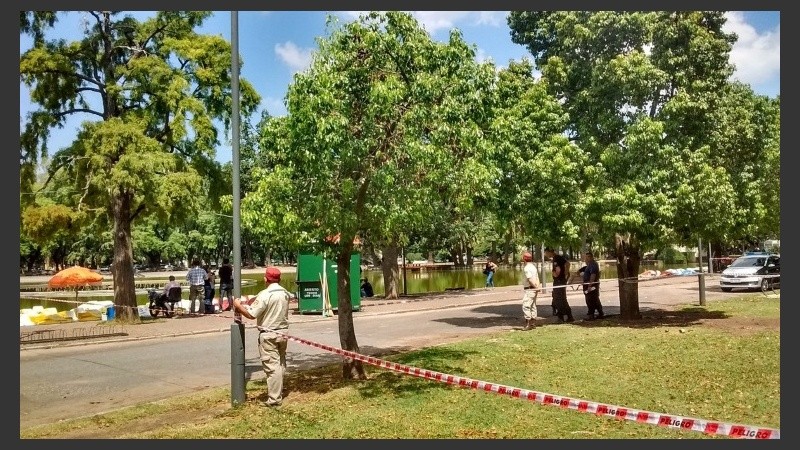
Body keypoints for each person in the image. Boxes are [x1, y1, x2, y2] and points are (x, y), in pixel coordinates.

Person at [232, 267, 292, 407]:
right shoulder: (285, 293)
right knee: (280, 364)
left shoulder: (265, 294)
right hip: (282, 332)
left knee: (272, 367)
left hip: (269, 334)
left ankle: (274, 399)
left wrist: (238, 305)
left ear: (265, 279)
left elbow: (251, 314)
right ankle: (278, 391)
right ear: (280, 279)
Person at [544, 247, 574, 323]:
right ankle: (566, 316)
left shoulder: (557, 258)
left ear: (550, 252)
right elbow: (566, 263)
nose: (546, 255)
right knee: (560, 298)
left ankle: (563, 317)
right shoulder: (556, 258)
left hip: (559, 281)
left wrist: (564, 274)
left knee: (559, 298)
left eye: (546, 253)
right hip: (559, 280)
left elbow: (566, 265)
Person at [520, 251, 541, 331]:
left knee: (526, 305)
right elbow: (537, 278)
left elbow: (530, 279)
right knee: (533, 305)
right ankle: (533, 323)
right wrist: (537, 286)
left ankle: (528, 323)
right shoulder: (533, 267)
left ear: (524, 259)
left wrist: (535, 287)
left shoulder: (526, 268)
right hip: (534, 289)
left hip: (529, 289)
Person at [581, 251, 604, 320]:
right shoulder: (589, 265)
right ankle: (600, 313)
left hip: (591, 285)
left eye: (586, 257)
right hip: (589, 284)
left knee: (590, 299)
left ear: (589, 257)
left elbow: (593, 275)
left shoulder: (593, 265)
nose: (585, 259)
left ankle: (591, 315)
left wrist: (589, 285)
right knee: (595, 299)